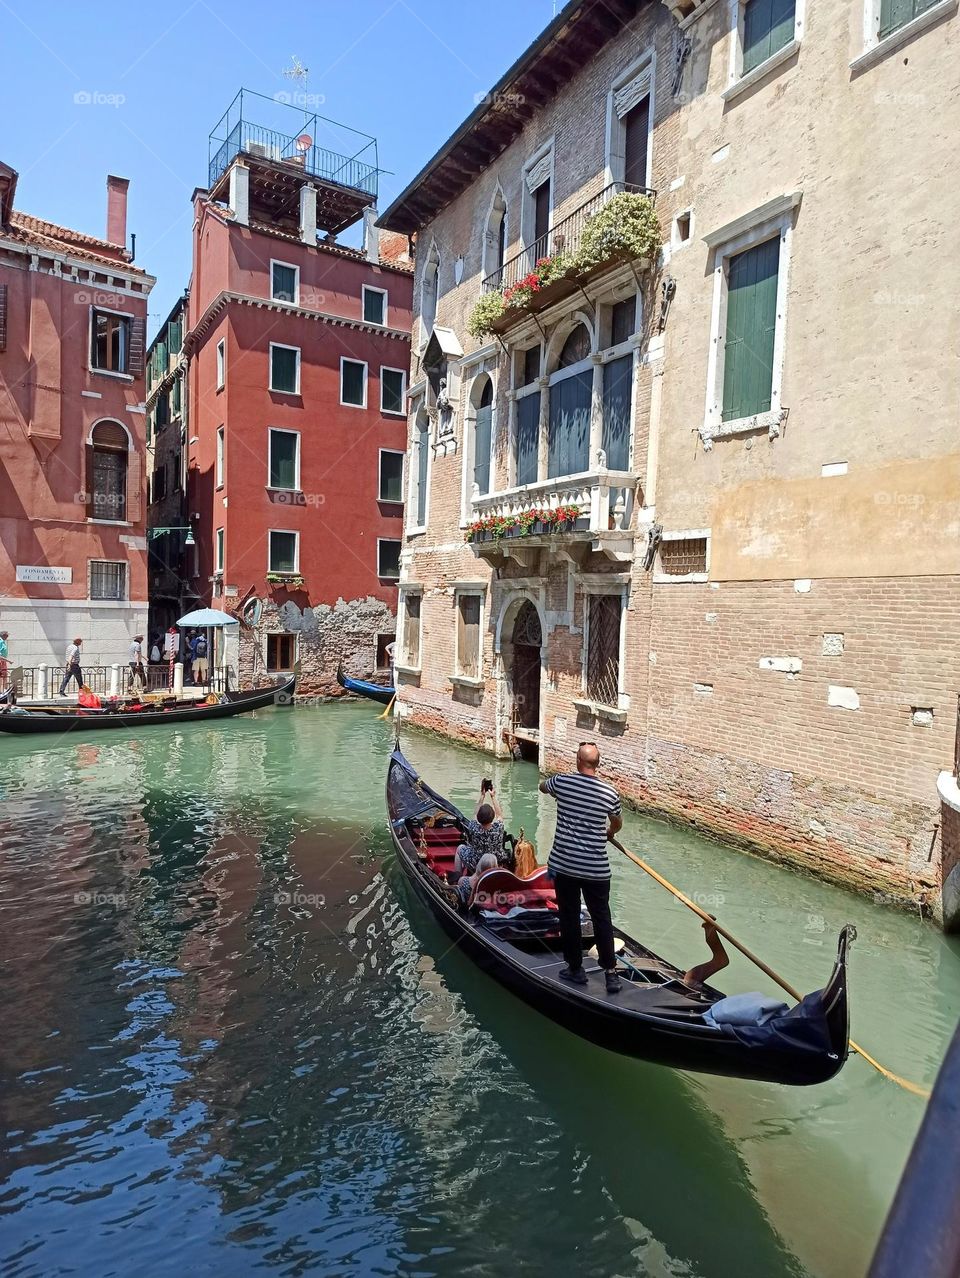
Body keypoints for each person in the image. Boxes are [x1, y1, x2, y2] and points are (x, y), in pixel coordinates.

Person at [539, 742, 624, 995]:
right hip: (597, 869)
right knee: (602, 919)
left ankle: (575, 969)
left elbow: (543, 786)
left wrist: (556, 791)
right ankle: (611, 974)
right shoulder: (610, 793)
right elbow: (617, 822)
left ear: (578, 761)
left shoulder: (562, 782)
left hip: (565, 866)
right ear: (598, 764)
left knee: (569, 916)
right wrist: (609, 832)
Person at [453, 780, 508, 876]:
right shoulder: (498, 828)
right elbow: (499, 815)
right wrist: (493, 796)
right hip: (496, 862)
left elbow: (475, 813)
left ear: (479, 817)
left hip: (476, 862)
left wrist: (482, 796)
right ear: (492, 817)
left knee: (460, 848)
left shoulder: (474, 828)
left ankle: (458, 876)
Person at [683, 917, 730, 988]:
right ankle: (708, 928)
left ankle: (708, 928)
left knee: (722, 961)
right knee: (722, 961)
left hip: (692, 980)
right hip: (691, 982)